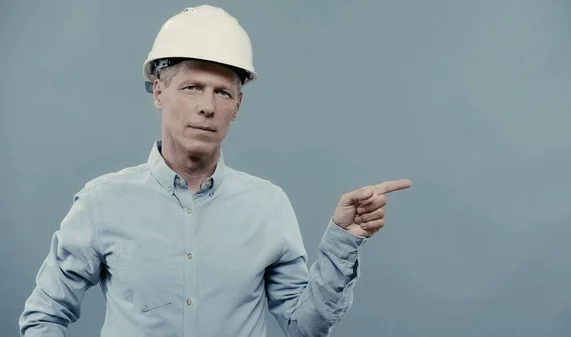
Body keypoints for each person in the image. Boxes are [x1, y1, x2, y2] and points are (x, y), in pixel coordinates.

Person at [18, 5, 412, 337]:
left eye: (222, 92)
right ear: (159, 92)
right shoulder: (102, 202)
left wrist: (343, 240)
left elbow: (303, 325)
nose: (207, 106)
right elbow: (43, 317)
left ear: (237, 106)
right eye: (192, 87)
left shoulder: (266, 205)